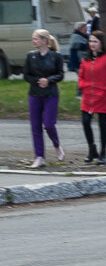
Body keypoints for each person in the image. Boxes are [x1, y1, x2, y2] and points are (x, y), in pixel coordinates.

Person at [24, 29, 66, 168]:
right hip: (34, 94)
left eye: (36, 38)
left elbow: (60, 74)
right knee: (35, 126)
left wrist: (49, 80)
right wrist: (38, 81)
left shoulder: (56, 56)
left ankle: (57, 145)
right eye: (33, 38)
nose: (33, 41)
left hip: (50, 94)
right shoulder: (30, 56)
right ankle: (39, 156)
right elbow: (26, 75)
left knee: (48, 124)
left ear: (44, 41)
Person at [79, 30, 106, 166]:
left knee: (102, 125)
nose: (92, 44)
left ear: (101, 43)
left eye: (95, 41)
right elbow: (81, 76)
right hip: (88, 97)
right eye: (90, 41)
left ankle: (103, 153)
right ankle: (92, 150)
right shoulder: (86, 58)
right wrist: (84, 87)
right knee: (85, 122)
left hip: (103, 97)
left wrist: (105, 89)